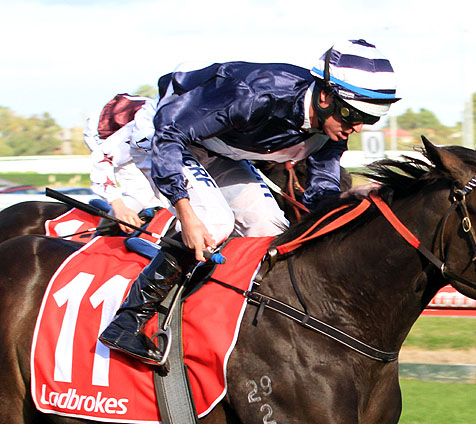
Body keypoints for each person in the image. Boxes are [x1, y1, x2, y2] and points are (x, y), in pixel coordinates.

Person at [99, 39, 400, 364]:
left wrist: (347, 203)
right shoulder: (258, 93)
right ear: (325, 96)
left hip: (217, 148)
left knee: (269, 228)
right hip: (164, 135)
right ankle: (129, 318)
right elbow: (170, 134)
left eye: (367, 119)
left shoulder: (331, 131)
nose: (356, 127)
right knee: (213, 222)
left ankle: (237, 327)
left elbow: (320, 197)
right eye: (351, 114)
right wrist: (186, 213)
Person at [84, 94, 166, 232]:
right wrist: (119, 207)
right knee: (137, 199)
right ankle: (99, 241)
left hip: (147, 130)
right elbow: (101, 161)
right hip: (105, 133)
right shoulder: (146, 127)